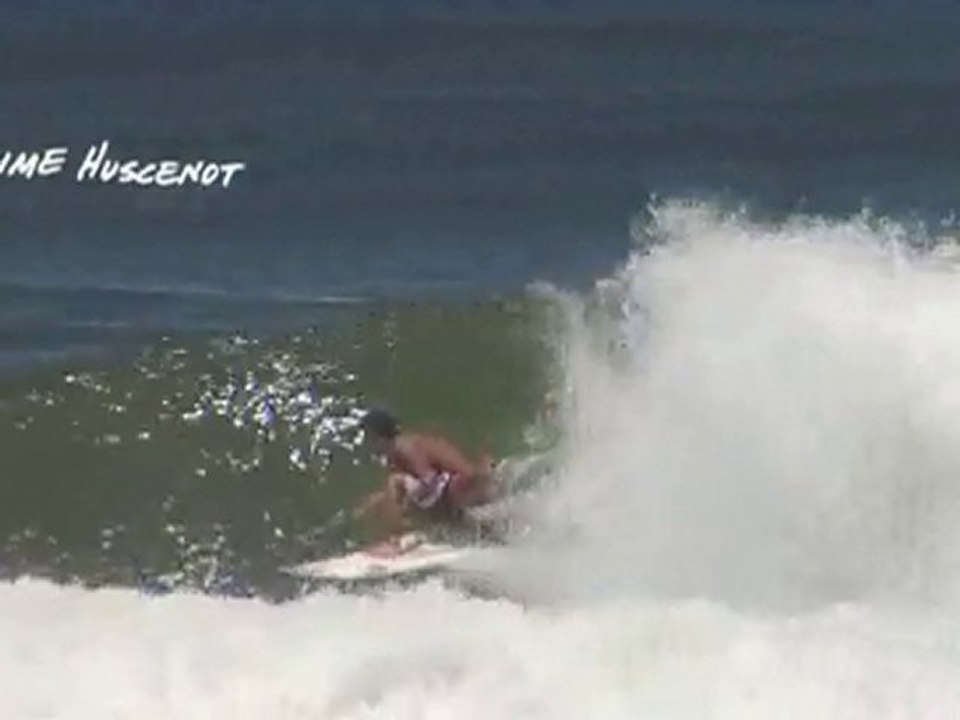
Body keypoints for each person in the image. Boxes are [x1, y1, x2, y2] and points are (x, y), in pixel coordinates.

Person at [353, 409, 496, 555]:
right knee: (386, 496)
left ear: (378, 436)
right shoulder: (395, 451)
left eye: (367, 436)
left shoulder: (404, 446)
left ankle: (397, 540)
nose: (366, 442)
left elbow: (430, 479)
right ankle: (493, 541)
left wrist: (410, 505)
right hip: (461, 485)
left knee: (395, 483)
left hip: (464, 485)